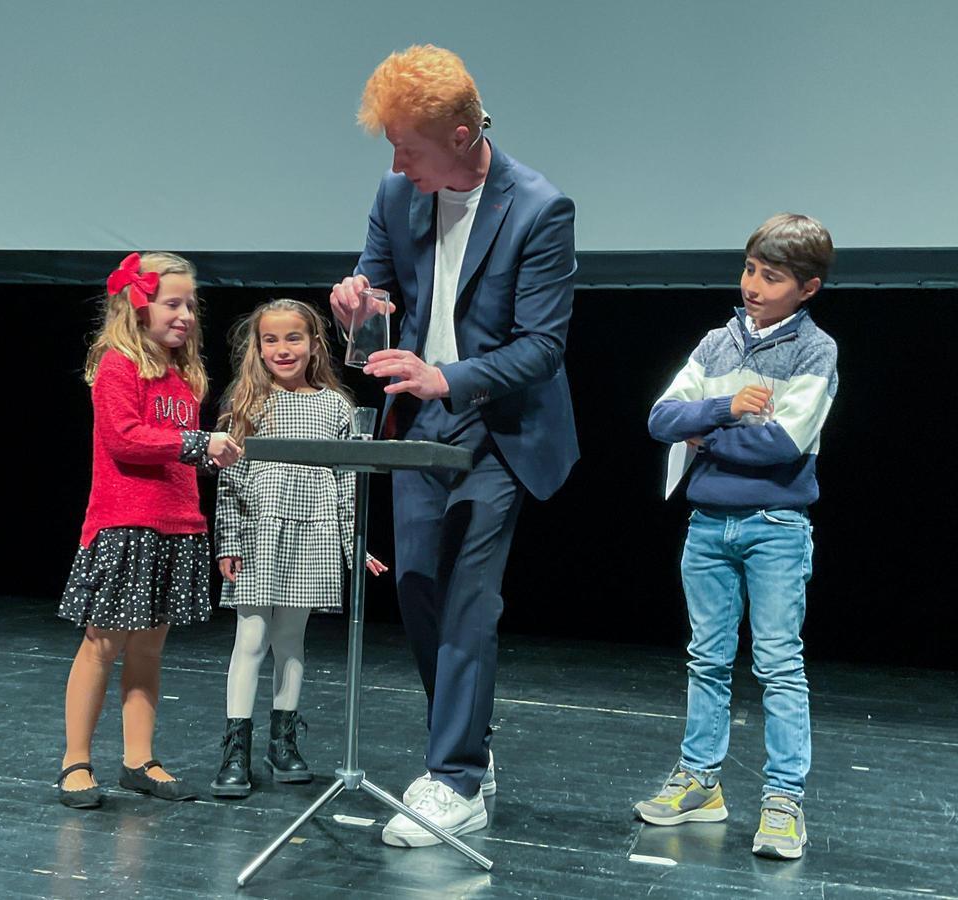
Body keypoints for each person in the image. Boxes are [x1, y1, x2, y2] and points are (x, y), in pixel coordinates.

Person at [329, 45, 579, 847]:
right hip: (416, 425)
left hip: (497, 426)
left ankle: (456, 778)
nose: (397, 162)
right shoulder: (396, 192)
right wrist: (354, 308)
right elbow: (375, 305)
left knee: (470, 600)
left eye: (409, 146)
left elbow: (541, 348)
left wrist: (448, 376)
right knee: (417, 586)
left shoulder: (539, 209)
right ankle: (466, 749)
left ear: (464, 134)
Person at [635, 214, 838, 860]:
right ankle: (701, 781)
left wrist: (708, 439)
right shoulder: (717, 344)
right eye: (750, 269)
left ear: (806, 288)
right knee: (708, 657)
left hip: (775, 528)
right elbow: (662, 418)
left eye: (772, 277)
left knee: (777, 662)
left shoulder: (815, 352)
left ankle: (783, 800)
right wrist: (724, 408)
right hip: (707, 527)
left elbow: (783, 443)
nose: (753, 285)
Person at [55, 252, 241, 808]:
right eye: (172, 303)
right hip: (126, 524)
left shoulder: (185, 374)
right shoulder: (118, 363)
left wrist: (212, 454)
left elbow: (176, 451)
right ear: (138, 307)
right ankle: (75, 762)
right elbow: (124, 438)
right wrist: (196, 443)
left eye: (191, 305)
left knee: (149, 650)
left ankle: (139, 758)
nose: (184, 315)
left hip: (176, 523)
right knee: (102, 645)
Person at [210, 299, 387, 798]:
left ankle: (281, 742)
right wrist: (228, 539)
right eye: (271, 339)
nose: (282, 348)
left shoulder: (336, 406)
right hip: (261, 533)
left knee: (291, 642)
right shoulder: (246, 403)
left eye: (294, 338)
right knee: (251, 639)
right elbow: (229, 482)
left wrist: (356, 544)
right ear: (258, 347)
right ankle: (235, 751)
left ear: (314, 344)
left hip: (313, 533)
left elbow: (348, 481)